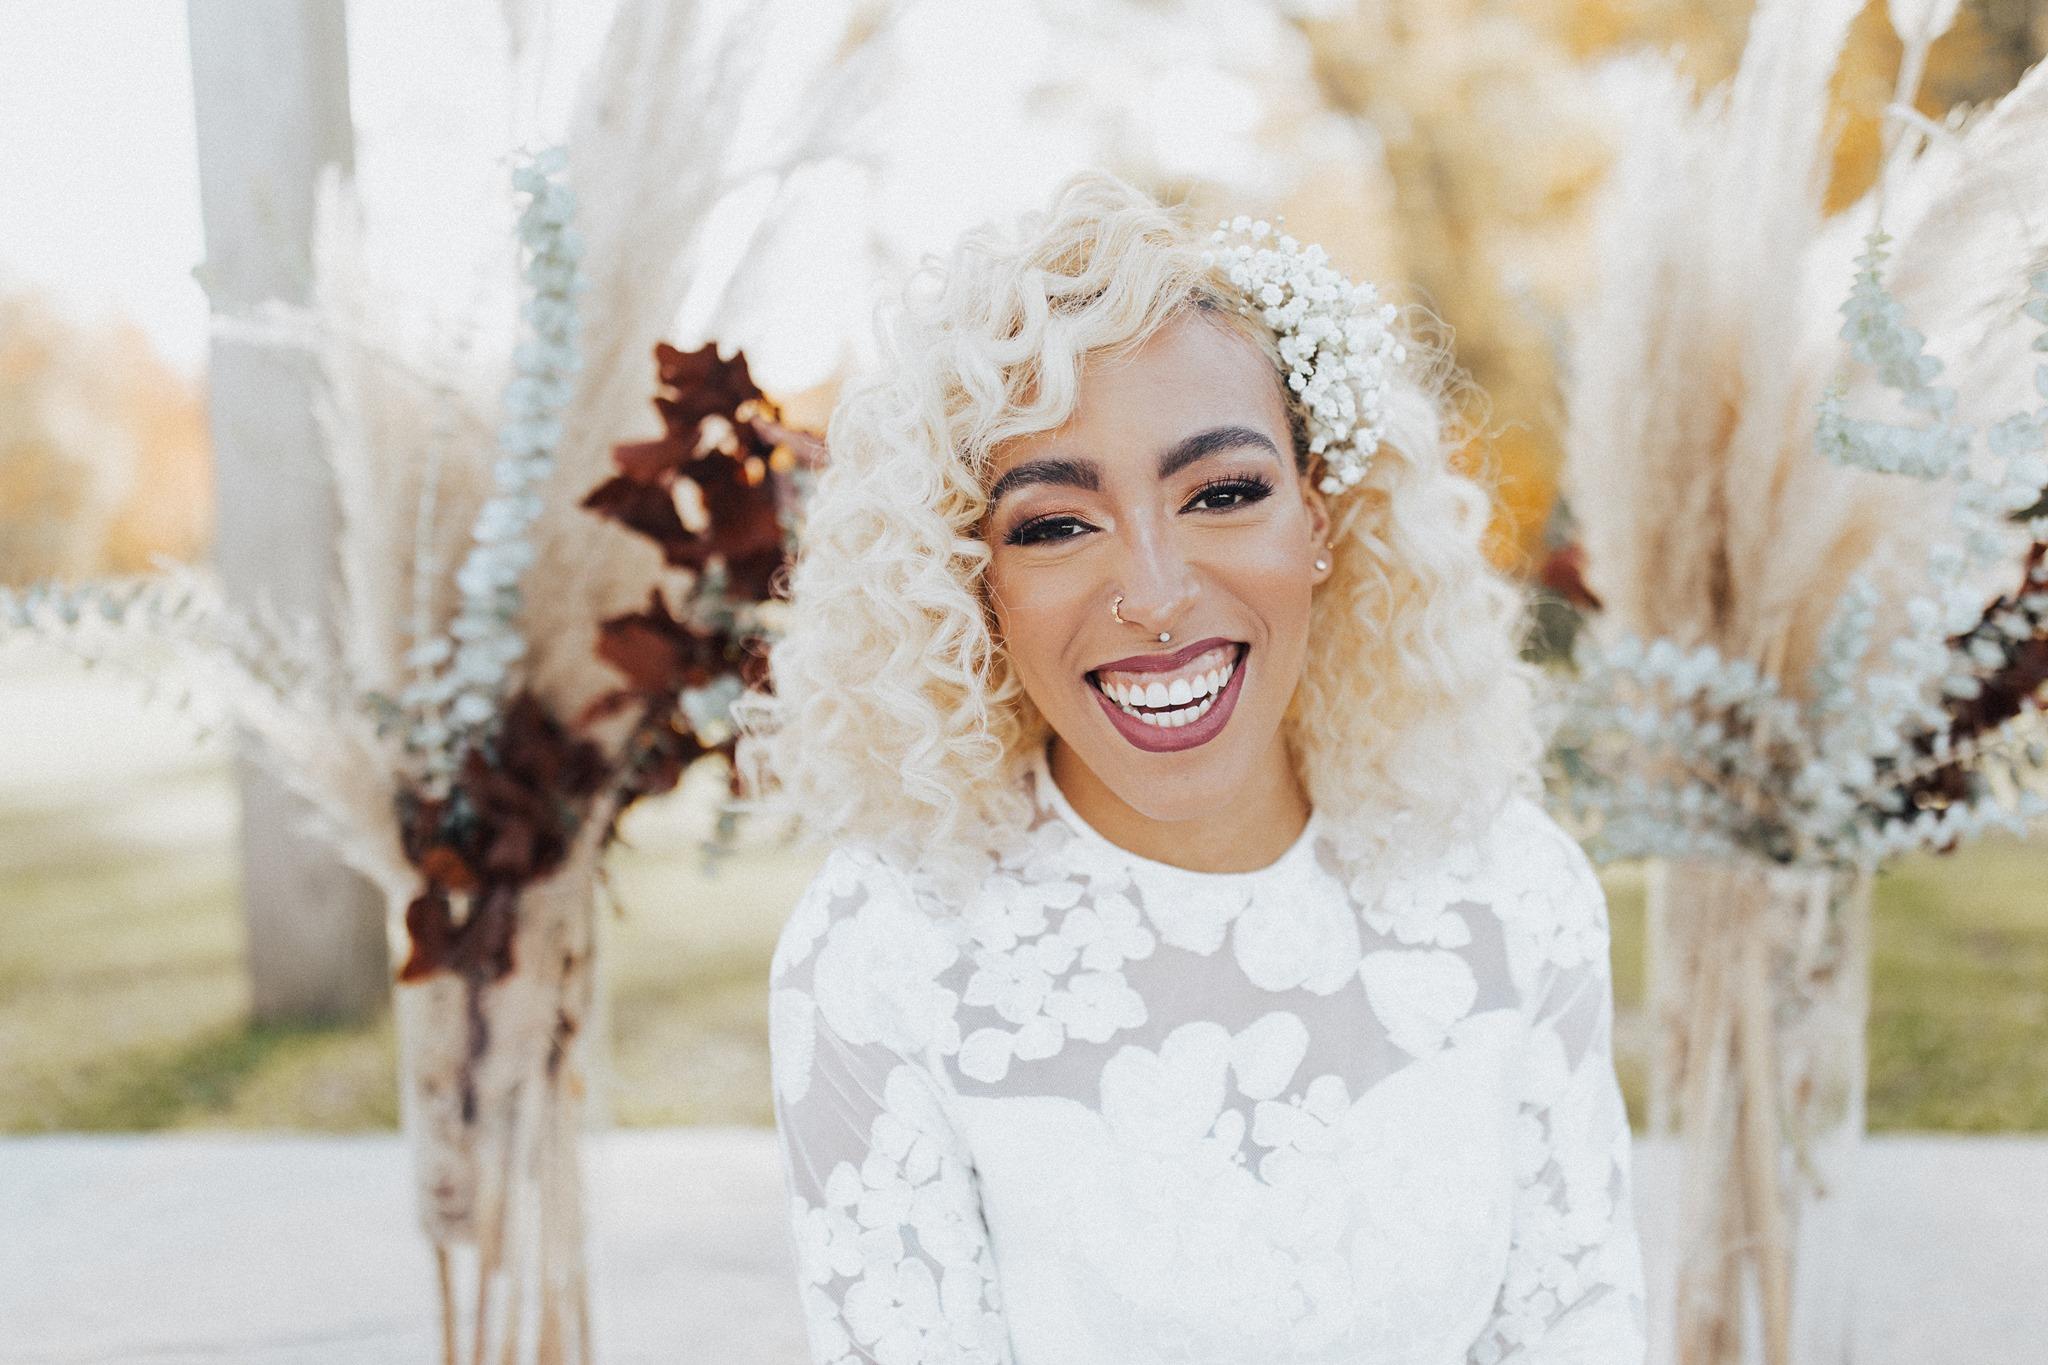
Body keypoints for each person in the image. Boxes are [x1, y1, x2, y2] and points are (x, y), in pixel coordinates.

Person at [729, 169, 1647, 1365]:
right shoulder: (885, 951)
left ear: (1318, 522)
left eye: (1220, 494)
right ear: (974, 582)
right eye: (1055, 524)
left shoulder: (1512, 892)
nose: (1155, 596)